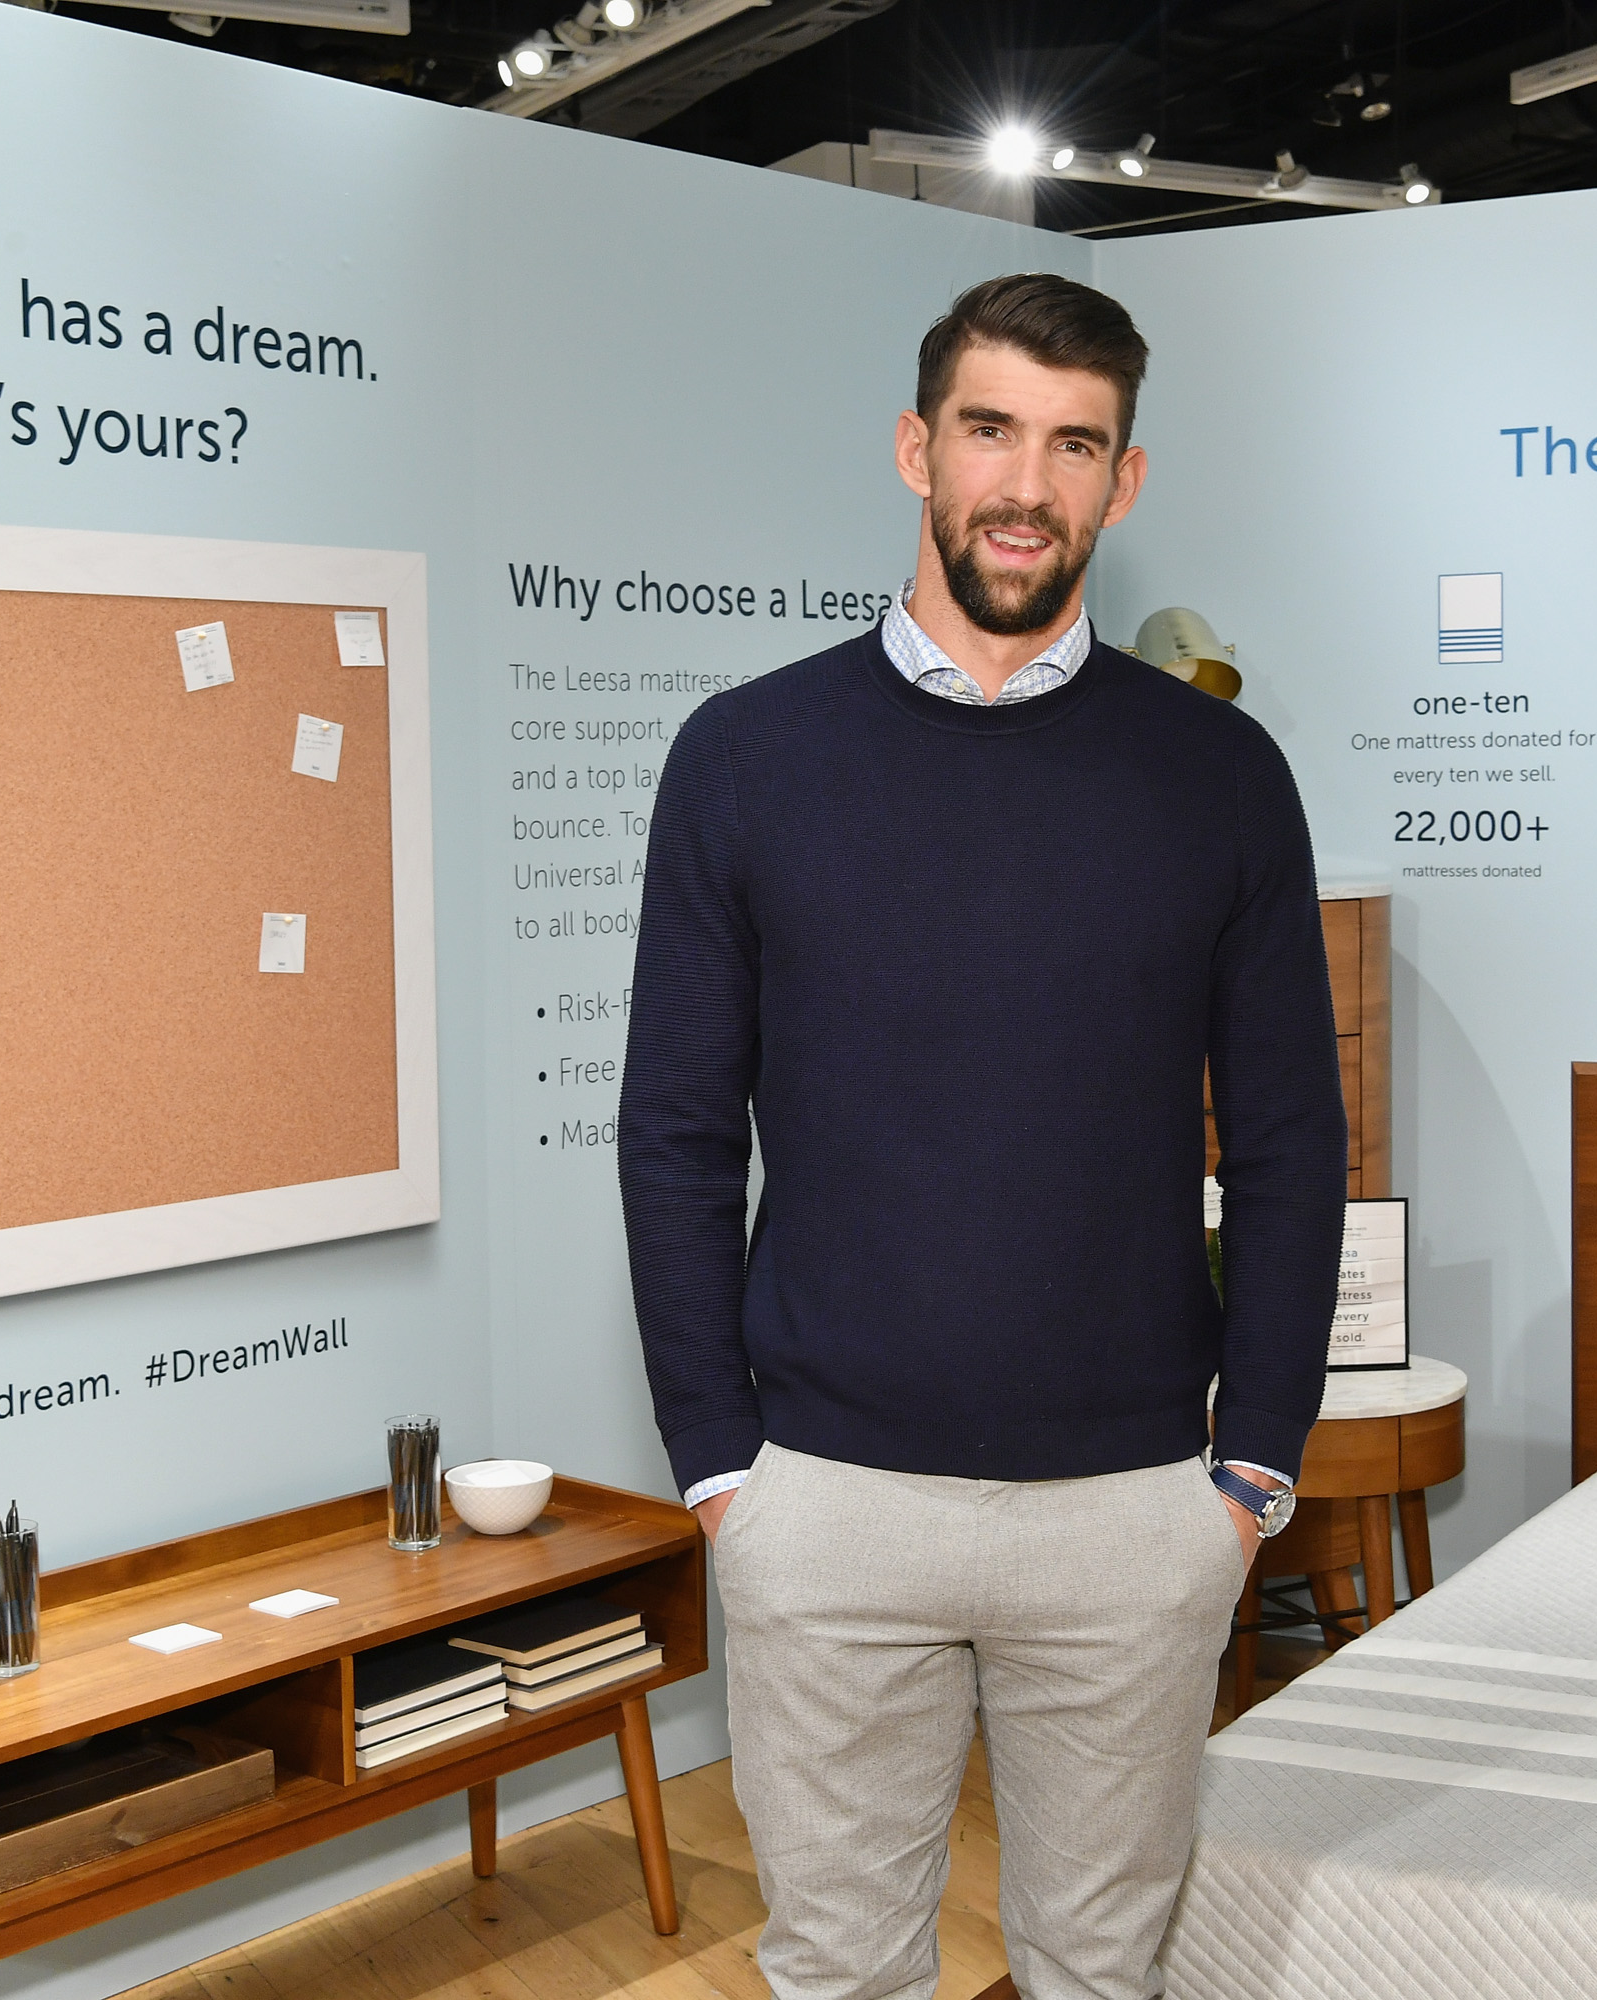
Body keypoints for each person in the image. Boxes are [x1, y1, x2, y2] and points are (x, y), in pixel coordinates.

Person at [618, 271, 1349, 2000]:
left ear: (1126, 481)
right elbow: (671, 1132)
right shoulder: (743, 758)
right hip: (826, 1503)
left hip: (1132, 1510)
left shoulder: (1221, 775)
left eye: (1074, 443)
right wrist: (723, 1463)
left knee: (1099, 1970)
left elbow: (1295, 1136)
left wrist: (1252, 1467)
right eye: (992, 429)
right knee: (840, 1973)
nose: (1027, 483)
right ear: (914, 448)